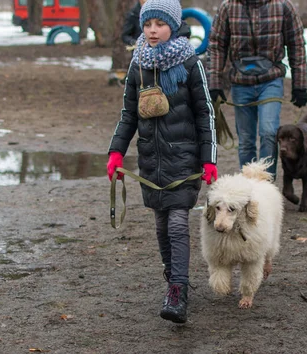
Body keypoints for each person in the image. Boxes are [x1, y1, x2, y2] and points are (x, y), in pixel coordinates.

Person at [107, 0, 217, 324]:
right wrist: (116, 152)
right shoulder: (137, 64)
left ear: (174, 25)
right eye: (147, 24)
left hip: (185, 157)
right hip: (151, 160)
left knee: (178, 222)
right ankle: (173, 278)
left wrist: (209, 159)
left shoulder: (190, 62)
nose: (152, 30)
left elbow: (205, 112)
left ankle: (178, 292)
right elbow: (128, 114)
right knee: (161, 225)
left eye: (159, 24)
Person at [206, 0, 307, 179]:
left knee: (269, 132)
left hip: (271, 80)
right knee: (245, 140)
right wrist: (215, 83)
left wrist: (300, 85)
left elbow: (296, 45)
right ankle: (249, 185)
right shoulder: (228, 7)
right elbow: (216, 46)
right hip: (240, 81)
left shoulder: (283, 6)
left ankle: (267, 185)